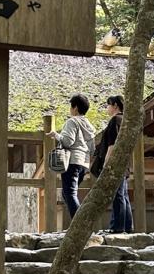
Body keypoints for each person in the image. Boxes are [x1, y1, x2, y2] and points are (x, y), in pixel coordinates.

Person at [56, 93, 96, 222]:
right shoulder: (89, 126)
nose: (70, 109)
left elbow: (68, 141)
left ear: (75, 108)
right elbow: (92, 149)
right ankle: (77, 223)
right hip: (84, 163)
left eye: (71, 106)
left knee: (70, 193)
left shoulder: (72, 121)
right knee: (66, 193)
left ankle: (80, 224)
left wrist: (56, 135)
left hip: (72, 161)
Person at [101, 94, 133, 232]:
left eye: (108, 105)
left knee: (117, 195)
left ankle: (117, 227)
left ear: (115, 105)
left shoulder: (115, 120)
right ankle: (127, 226)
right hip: (124, 162)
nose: (107, 108)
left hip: (115, 162)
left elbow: (112, 144)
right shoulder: (126, 122)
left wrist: (106, 163)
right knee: (123, 195)